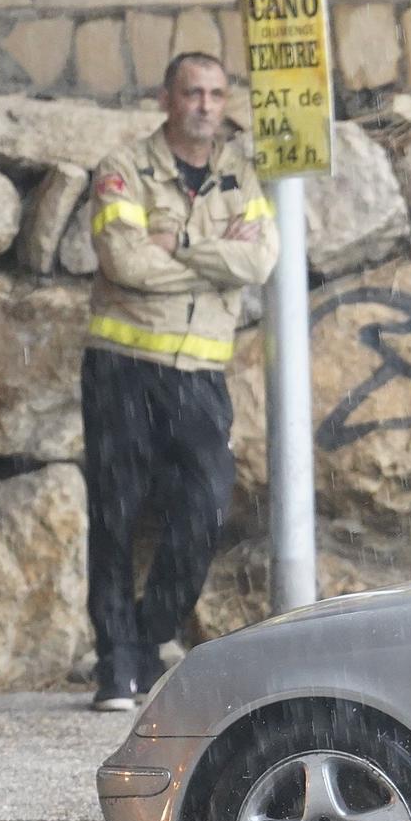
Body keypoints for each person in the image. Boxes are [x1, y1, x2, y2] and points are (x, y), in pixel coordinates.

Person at [81, 52, 279, 710]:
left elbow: (259, 259)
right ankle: (116, 662)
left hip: (200, 372)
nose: (204, 105)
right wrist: (213, 259)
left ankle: (149, 633)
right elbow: (126, 264)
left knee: (207, 505)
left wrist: (180, 250)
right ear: (166, 98)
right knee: (115, 511)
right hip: (123, 367)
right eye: (192, 92)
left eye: (217, 94)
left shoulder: (240, 170)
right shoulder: (123, 169)